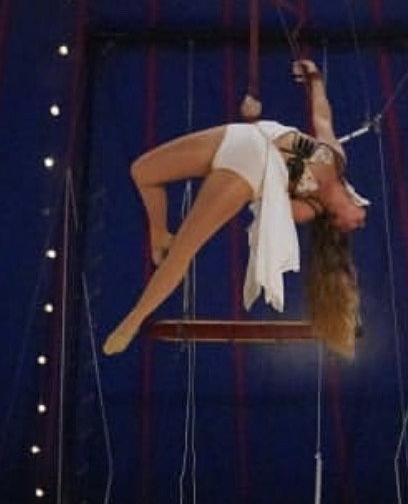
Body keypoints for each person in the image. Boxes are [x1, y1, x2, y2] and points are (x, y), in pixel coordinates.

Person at [102, 58, 368, 359]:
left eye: (355, 226)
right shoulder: (337, 159)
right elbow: (322, 117)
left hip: (248, 171)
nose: (361, 220)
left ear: (337, 222)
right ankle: (159, 233)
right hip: (242, 136)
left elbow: (268, 210)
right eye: (360, 219)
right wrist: (315, 78)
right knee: (143, 172)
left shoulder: (309, 206)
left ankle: (134, 320)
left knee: (183, 251)